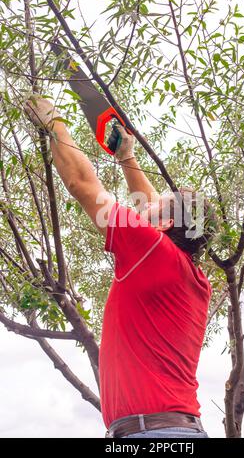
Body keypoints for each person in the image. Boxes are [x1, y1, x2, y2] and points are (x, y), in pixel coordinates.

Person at [24, 96, 215, 439]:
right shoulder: (187, 272)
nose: (149, 200)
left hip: (153, 434)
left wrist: (52, 121)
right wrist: (127, 157)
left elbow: (81, 184)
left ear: (166, 223)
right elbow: (150, 204)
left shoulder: (153, 250)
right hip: (167, 431)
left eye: (161, 201)